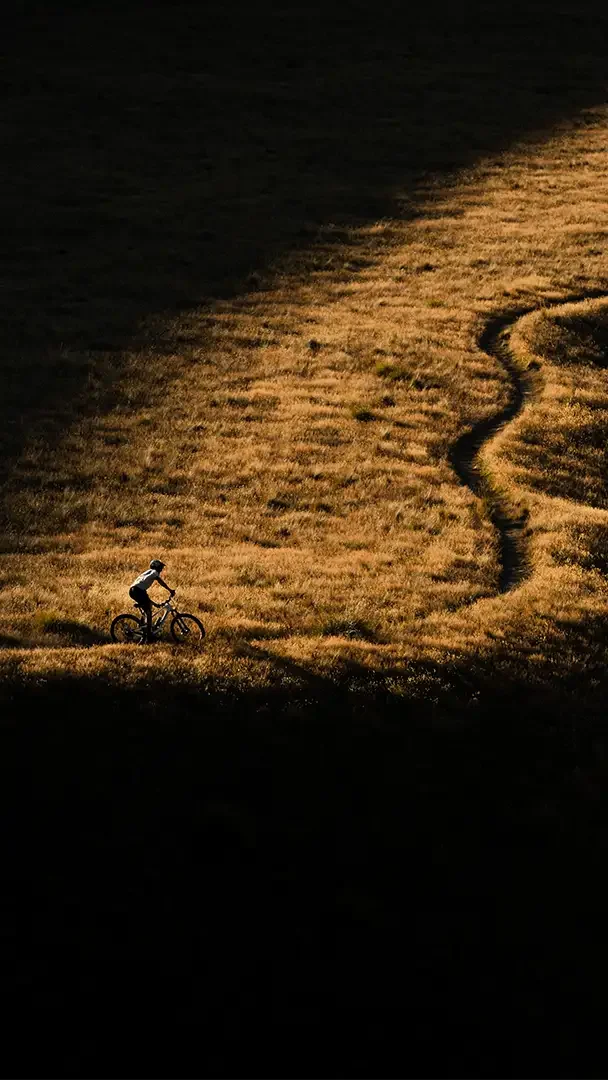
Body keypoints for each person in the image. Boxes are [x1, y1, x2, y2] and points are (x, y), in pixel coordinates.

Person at [129, 559, 174, 643]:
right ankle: (148, 636)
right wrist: (170, 590)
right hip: (137, 591)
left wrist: (155, 604)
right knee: (148, 612)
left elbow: (145, 596)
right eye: (160, 567)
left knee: (148, 607)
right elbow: (160, 581)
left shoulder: (149, 572)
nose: (161, 569)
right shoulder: (154, 572)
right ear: (156, 567)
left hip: (137, 590)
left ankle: (143, 627)